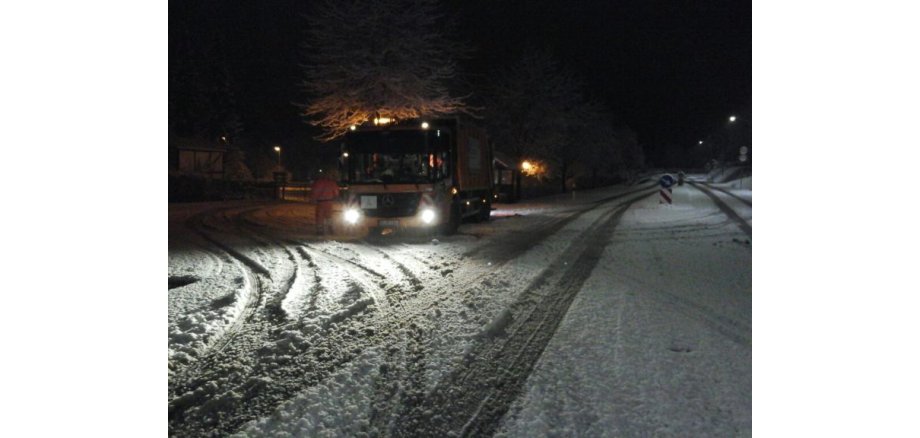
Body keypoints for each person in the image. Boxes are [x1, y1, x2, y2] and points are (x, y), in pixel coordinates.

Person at [311, 169, 340, 235]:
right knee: (329, 216)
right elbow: (336, 192)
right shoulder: (332, 183)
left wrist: (313, 199)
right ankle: (330, 229)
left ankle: (320, 230)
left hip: (320, 202)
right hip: (329, 201)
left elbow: (315, 192)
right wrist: (335, 197)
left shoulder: (318, 182)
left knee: (319, 216)